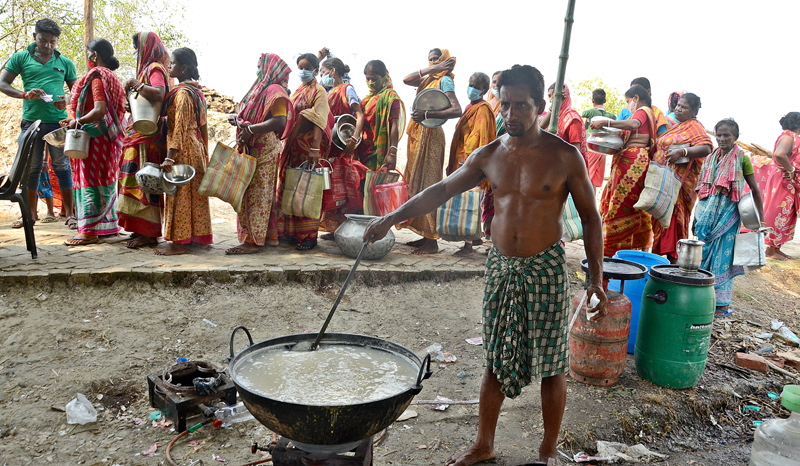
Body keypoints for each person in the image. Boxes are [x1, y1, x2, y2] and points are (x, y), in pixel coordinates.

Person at [363, 64, 607, 466]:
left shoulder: (564, 156)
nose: (511, 114)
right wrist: (390, 218)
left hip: (545, 269)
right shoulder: (489, 155)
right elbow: (441, 190)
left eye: (521, 106)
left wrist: (596, 275)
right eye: (505, 104)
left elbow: (591, 216)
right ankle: (484, 444)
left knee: (552, 365)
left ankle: (547, 451)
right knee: (495, 358)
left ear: (540, 106)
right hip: (501, 270)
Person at [0, 18, 76, 228]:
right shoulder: (20, 58)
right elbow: (3, 83)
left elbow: (77, 92)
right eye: (43, 41)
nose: (48, 46)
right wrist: (24, 94)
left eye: (53, 42)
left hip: (59, 124)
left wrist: (66, 100)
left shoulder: (65, 62)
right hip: (31, 123)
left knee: (62, 166)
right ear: (35, 37)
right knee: (32, 168)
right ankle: (30, 215)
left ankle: (69, 214)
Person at [695, 119, 765, 316]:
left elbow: (755, 191)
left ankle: (722, 304)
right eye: (719, 135)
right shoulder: (711, 158)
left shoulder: (742, 159)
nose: (722, 139)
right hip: (706, 217)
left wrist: (761, 220)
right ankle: (703, 298)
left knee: (722, 259)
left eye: (727, 135)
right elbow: (702, 189)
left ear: (736, 138)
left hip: (728, 218)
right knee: (704, 255)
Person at [226, 53, 293, 254]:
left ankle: (252, 242)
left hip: (264, 148)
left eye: (260, 66)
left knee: (257, 195)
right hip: (255, 146)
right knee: (256, 193)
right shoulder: (261, 89)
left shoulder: (275, 91)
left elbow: (280, 121)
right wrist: (240, 122)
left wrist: (251, 129)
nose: (258, 70)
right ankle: (268, 237)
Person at [62, 39, 126, 245]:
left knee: (90, 181)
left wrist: (76, 121)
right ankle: (107, 227)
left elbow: (99, 110)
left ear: (94, 55)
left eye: (88, 53)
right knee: (106, 180)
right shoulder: (113, 77)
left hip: (95, 139)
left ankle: (89, 231)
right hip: (109, 139)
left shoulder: (98, 78)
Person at [267, 53, 334, 251]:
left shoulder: (319, 91)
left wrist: (315, 147)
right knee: (291, 187)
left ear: (315, 69)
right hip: (293, 148)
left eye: (306, 67)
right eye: (299, 67)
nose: (302, 71)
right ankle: (289, 232)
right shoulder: (299, 90)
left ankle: (308, 236)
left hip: (309, 148)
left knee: (307, 188)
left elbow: (320, 120)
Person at [400, 48, 463, 254]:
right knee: (416, 184)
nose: (434, 61)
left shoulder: (445, 81)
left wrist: (428, 113)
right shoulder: (428, 79)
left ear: (446, 61)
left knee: (429, 184)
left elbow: (456, 109)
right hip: (419, 135)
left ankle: (432, 241)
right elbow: (406, 79)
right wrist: (432, 68)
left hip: (432, 136)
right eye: (431, 59)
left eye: (438, 58)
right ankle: (423, 234)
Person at [157, 47, 212, 256]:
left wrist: (170, 157)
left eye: (172, 63)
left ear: (184, 68)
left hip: (182, 149)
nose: (169, 67)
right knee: (196, 197)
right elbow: (203, 126)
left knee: (179, 195)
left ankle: (178, 244)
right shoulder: (197, 91)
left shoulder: (182, 94)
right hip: (196, 147)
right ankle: (199, 239)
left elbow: (179, 127)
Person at [590, 84, 657, 256]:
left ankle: (616, 246)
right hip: (633, 160)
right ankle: (624, 246)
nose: (628, 106)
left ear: (635, 98)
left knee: (621, 204)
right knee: (625, 203)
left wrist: (607, 122)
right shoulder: (647, 112)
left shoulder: (642, 111)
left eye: (628, 101)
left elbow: (634, 123)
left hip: (633, 161)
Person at [118, 32, 169, 248]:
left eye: (138, 48)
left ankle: (148, 233)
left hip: (147, 138)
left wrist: (135, 84)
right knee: (132, 181)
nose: (137, 53)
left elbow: (159, 93)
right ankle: (138, 228)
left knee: (145, 184)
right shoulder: (148, 69)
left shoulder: (154, 68)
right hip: (139, 135)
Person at [650, 93, 713, 261]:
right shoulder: (679, 126)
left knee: (671, 222)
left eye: (683, 107)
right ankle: (657, 258)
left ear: (693, 111)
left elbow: (706, 147)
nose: (678, 108)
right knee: (660, 219)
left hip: (677, 187)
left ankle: (670, 260)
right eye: (678, 105)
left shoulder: (694, 126)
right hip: (662, 182)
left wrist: (682, 152)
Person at [445, 71, 496, 256]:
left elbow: (478, 139)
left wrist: (465, 163)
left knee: (470, 203)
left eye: (476, 86)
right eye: (470, 84)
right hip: (463, 161)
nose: (471, 89)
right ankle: (473, 240)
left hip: (471, 164)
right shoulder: (469, 107)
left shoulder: (483, 109)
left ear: (484, 89)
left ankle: (468, 246)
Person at [319, 56, 365, 235]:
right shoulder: (329, 92)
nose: (322, 76)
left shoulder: (348, 89)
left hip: (344, 143)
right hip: (331, 145)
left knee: (345, 187)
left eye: (323, 72)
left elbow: (359, 114)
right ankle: (333, 229)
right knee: (332, 187)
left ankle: (345, 228)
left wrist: (354, 138)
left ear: (332, 71)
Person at [763, 112, 800, 260]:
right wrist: (790, 170)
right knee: (779, 212)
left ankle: (775, 248)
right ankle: (771, 250)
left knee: (786, 213)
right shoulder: (788, 137)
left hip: (787, 180)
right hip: (783, 179)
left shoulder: (791, 137)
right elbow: (779, 154)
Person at [357, 60, 405, 171]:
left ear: (384, 77)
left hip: (378, 151)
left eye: (374, 79)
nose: (370, 82)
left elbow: (395, 125)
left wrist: (392, 153)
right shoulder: (367, 100)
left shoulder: (391, 98)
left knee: (374, 185)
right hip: (362, 151)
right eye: (367, 79)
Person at [539, 83, 588, 169]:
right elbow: (541, 127)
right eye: (550, 96)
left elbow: (576, 152)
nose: (551, 100)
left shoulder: (572, 119)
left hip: (566, 169)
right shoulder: (556, 117)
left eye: (555, 96)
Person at [581, 88, 617, 189]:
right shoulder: (610, 116)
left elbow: (581, 115)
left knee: (587, 177)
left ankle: (586, 203)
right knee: (594, 180)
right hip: (603, 150)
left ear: (593, 100)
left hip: (591, 148)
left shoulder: (589, 112)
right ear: (605, 101)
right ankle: (593, 203)